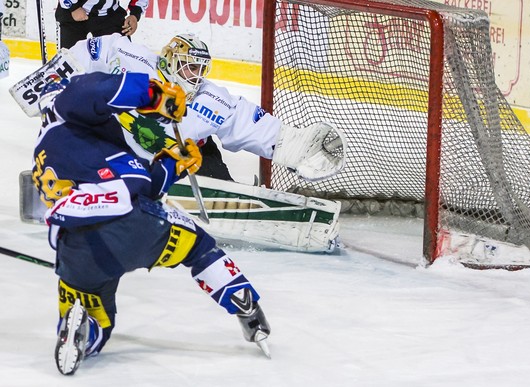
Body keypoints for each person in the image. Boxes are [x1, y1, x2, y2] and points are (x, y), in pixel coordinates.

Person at [32, 72, 271, 375]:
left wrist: (172, 163)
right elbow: (90, 90)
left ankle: (82, 332)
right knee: (198, 247)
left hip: (76, 250)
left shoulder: (47, 154)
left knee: (100, 321)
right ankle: (247, 310)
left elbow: (141, 185)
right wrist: (153, 94)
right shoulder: (68, 109)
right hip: (133, 226)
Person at [65, 32, 345, 183]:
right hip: (122, 147)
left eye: (201, 68)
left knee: (213, 172)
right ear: (172, 61)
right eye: (191, 67)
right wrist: (59, 75)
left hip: (185, 155)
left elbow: (248, 121)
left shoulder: (212, 97)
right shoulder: (133, 58)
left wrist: (295, 148)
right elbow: (95, 49)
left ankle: (226, 193)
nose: (197, 75)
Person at [56, 0, 148, 49]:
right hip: (74, 15)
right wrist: (73, 7)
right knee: (70, 62)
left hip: (109, 15)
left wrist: (135, 14)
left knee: (122, 58)